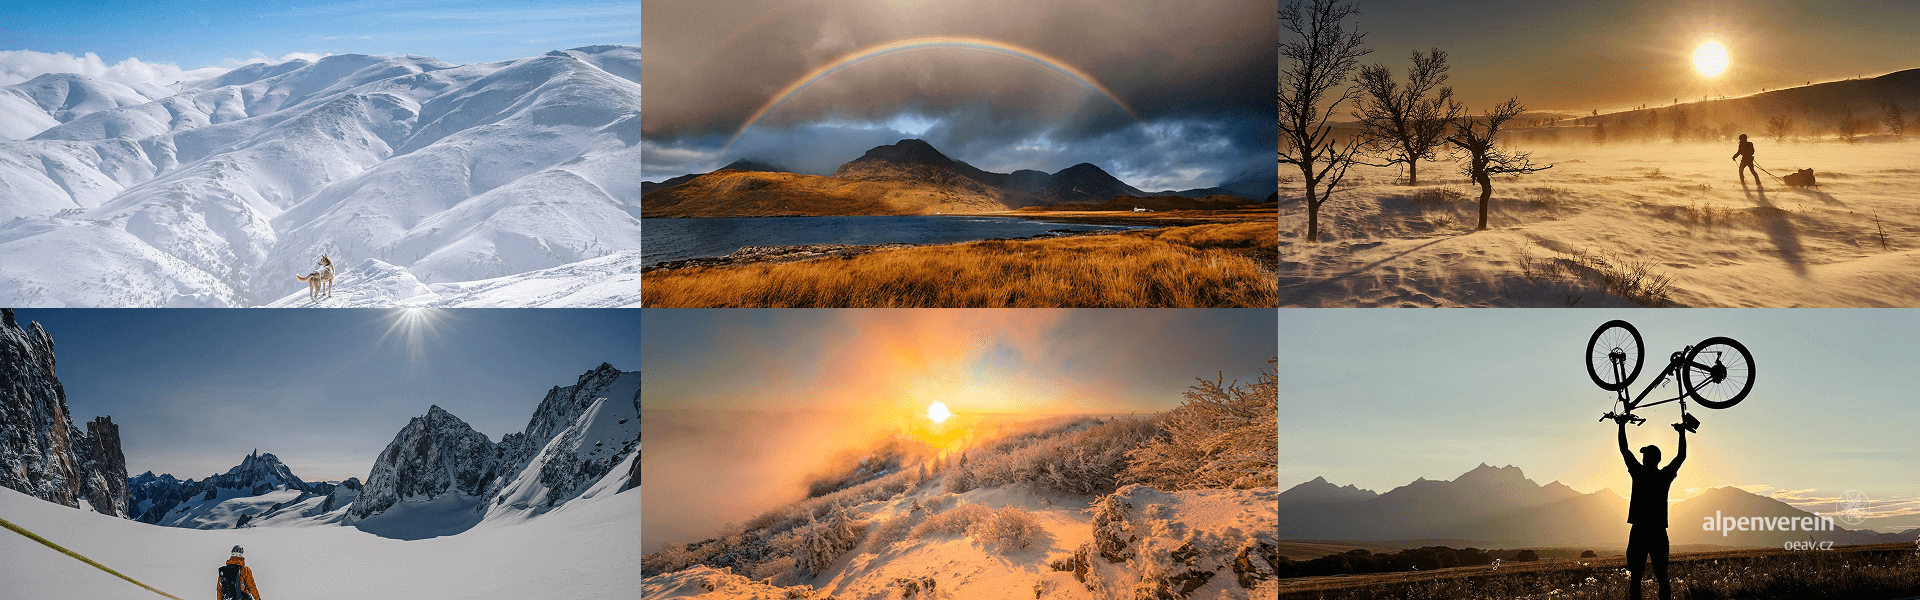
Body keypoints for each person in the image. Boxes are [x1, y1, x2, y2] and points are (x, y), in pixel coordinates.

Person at [1619, 416, 1686, 600]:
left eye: (1646, 454)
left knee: (1636, 579)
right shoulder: (1664, 476)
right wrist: (1681, 433)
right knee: (1662, 577)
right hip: (1657, 533)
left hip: (1639, 532)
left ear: (1653, 458)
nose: (1643, 457)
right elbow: (1681, 457)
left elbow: (1624, 450)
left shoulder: (1638, 473)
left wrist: (1622, 425)